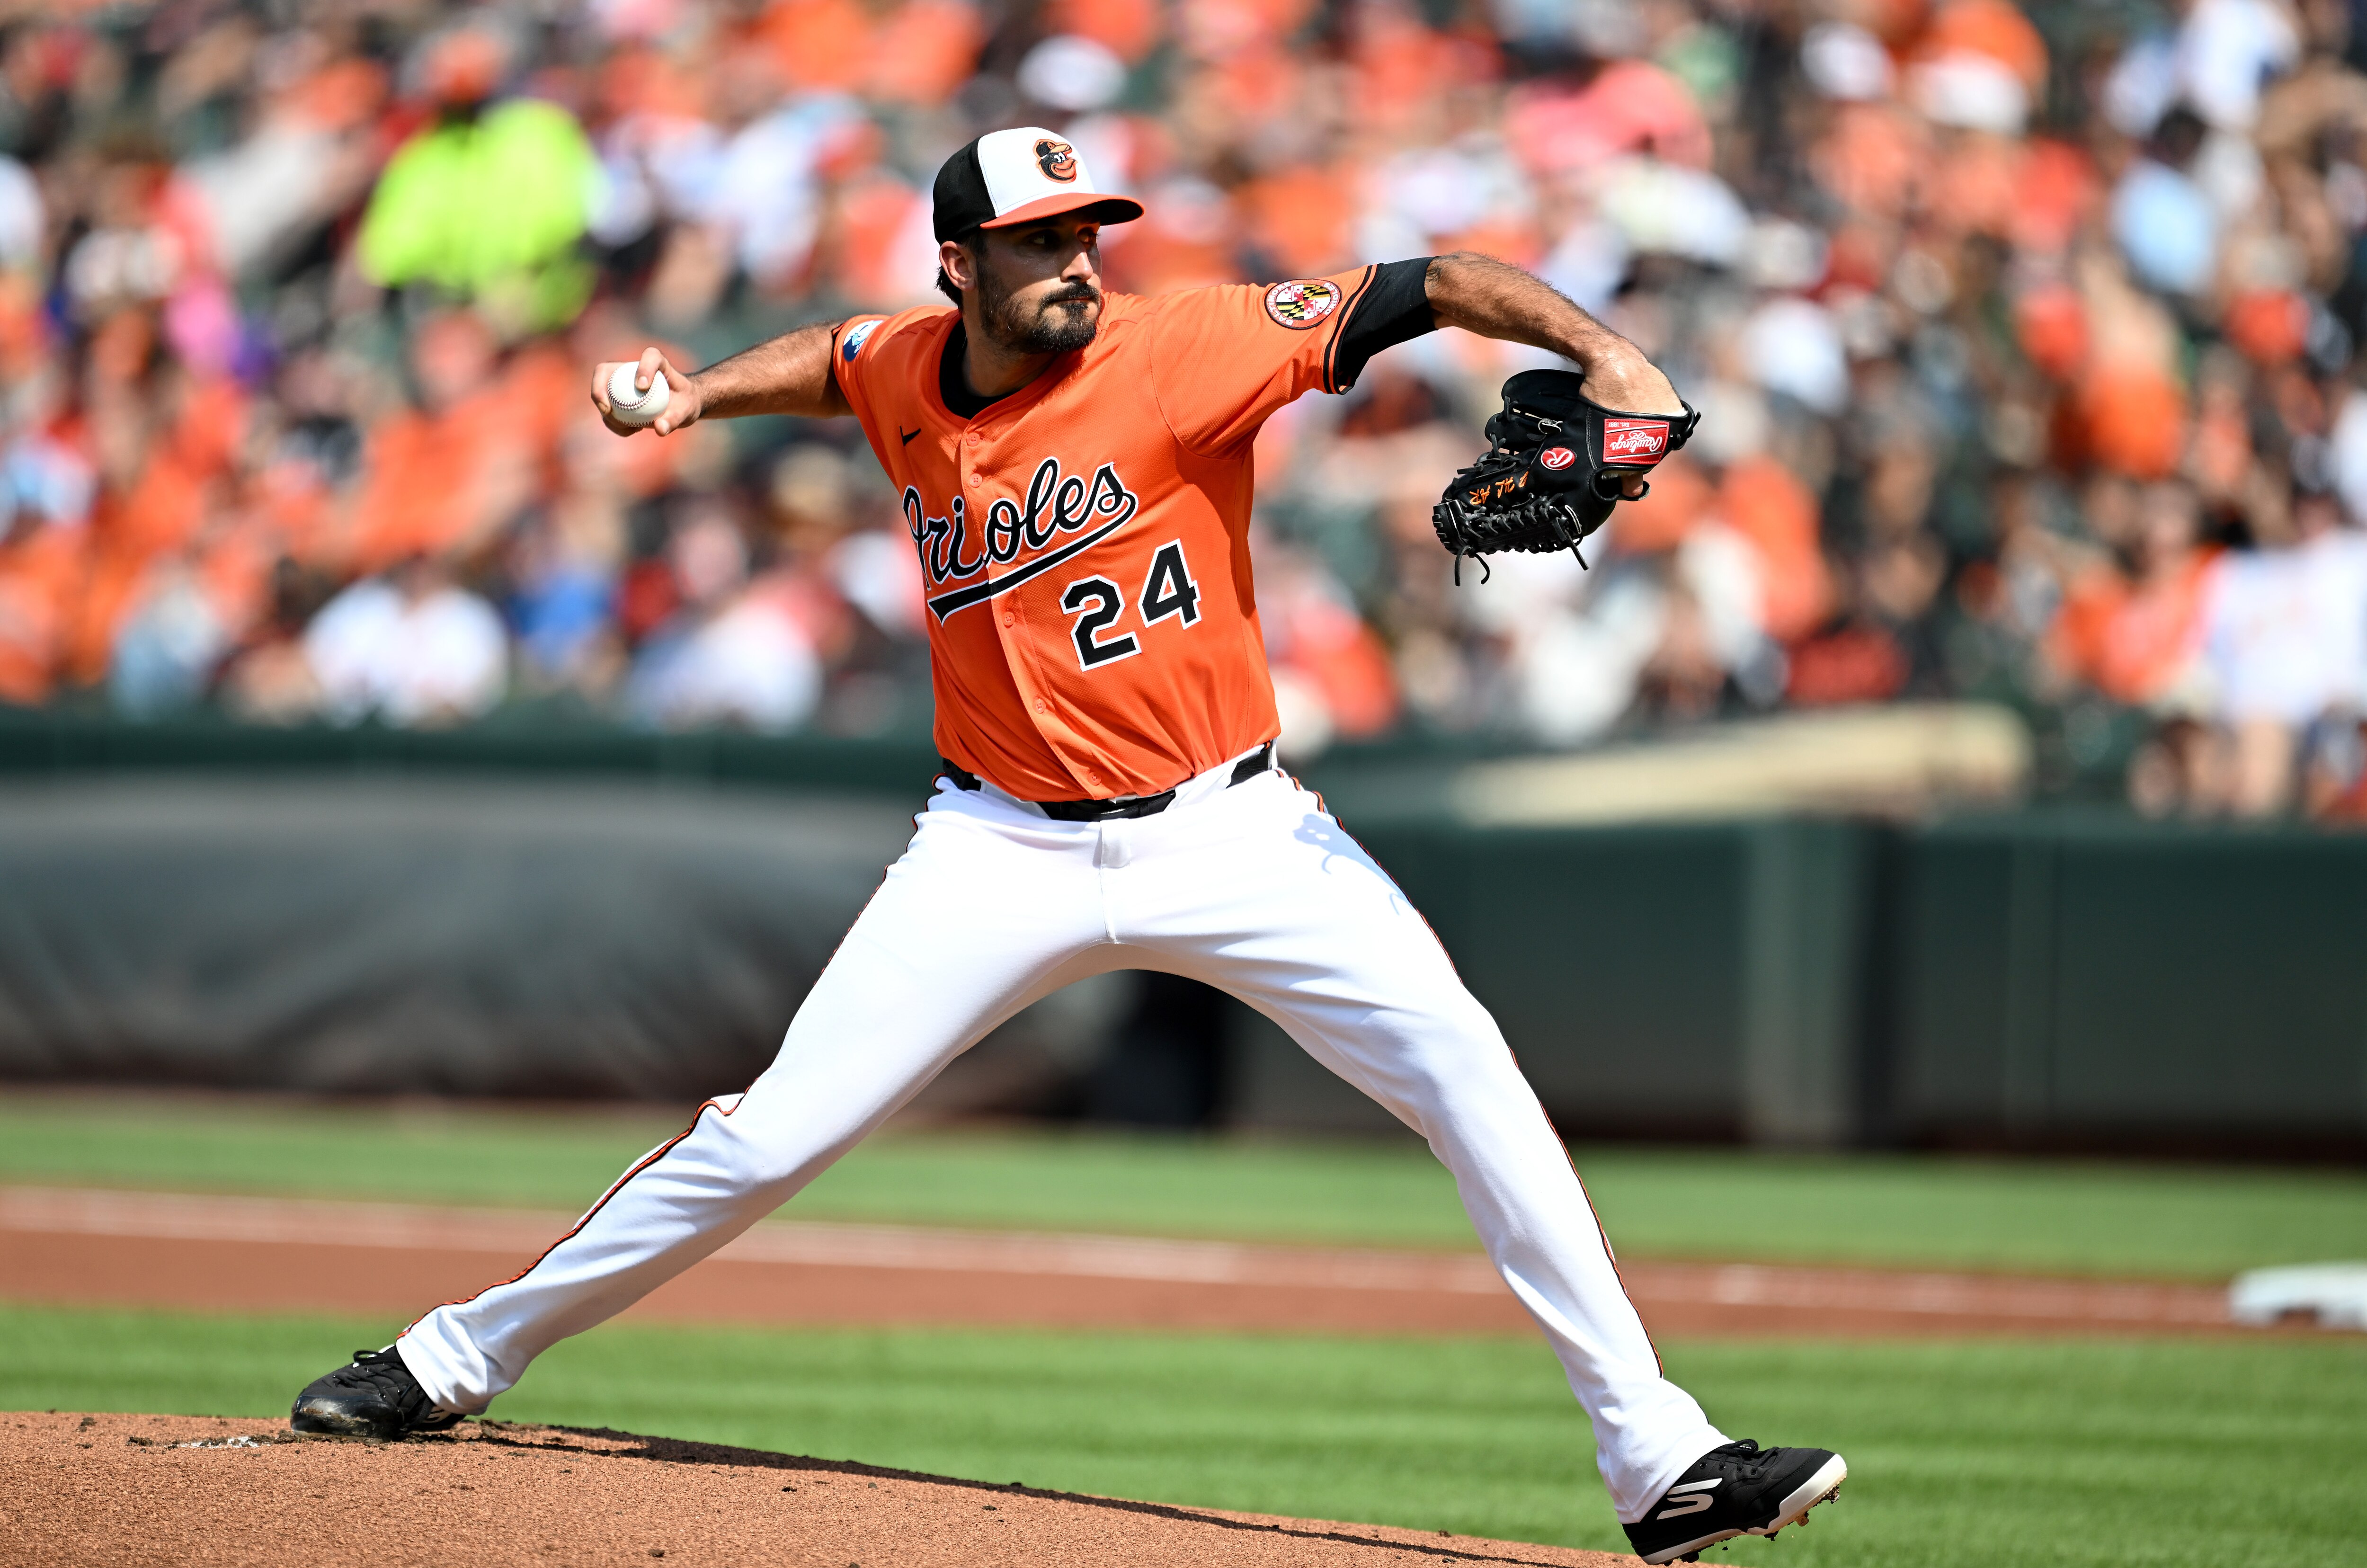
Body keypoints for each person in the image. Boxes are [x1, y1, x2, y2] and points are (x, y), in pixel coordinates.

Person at [289, 127, 1845, 1566]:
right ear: (958, 263)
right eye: (1039, 242)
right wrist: (696, 391)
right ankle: (451, 1358)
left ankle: (1659, 1460)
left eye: (1087, 232)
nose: (1076, 263)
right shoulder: (910, 362)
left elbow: (1430, 282)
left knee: (1467, 1074)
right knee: (770, 1137)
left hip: (1234, 829)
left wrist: (1605, 350)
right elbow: (837, 364)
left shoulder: (1186, 343)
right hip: (996, 851)